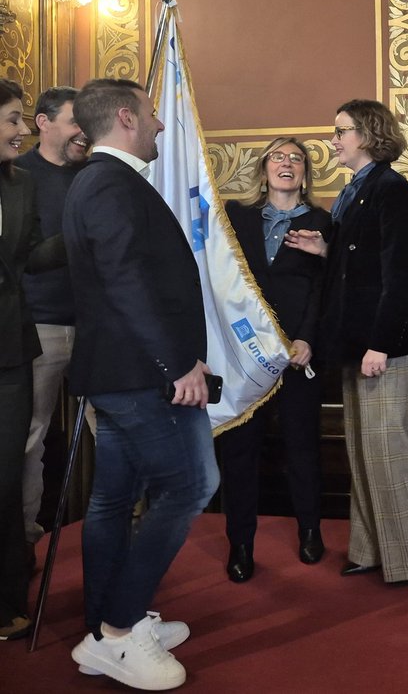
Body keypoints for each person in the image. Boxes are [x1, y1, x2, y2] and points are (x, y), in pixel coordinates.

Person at [63, 78, 219, 691]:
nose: (159, 125)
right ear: (127, 117)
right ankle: (122, 632)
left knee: (111, 499)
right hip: (140, 376)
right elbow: (127, 282)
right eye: (152, 115)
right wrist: (176, 364)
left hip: (126, 372)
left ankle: (106, 626)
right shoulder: (107, 181)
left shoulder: (103, 180)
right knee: (192, 484)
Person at [285, 99, 408, 585]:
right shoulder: (355, 190)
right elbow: (360, 263)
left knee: (391, 447)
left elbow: (400, 275)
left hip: (384, 345)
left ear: (366, 134)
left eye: (340, 131)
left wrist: (380, 343)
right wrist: (327, 249)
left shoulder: (391, 188)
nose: (333, 140)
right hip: (354, 342)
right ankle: (372, 550)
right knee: (365, 450)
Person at [219, 137, 331, 582]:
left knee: (302, 447)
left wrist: (306, 338)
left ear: (305, 173)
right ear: (263, 167)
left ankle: (310, 530)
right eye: (279, 157)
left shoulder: (322, 221)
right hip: (244, 355)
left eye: (296, 159)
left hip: (295, 355)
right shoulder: (235, 216)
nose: (287, 164)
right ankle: (240, 545)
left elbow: (324, 288)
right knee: (239, 451)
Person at [0, 79, 66, 641]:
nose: (20, 130)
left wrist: (82, 234)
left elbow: (35, 255)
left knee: (7, 469)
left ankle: (7, 596)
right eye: (12, 120)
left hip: (13, 346)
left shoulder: (19, 186)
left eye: (22, 119)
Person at [14, 86, 86, 572]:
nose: (83, 130)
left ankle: (121, 531)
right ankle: (21, 541)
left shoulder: (96, 174)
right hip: (40, 325)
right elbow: (21, 257)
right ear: (43, 123)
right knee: (30, 437)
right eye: (73, 120)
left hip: (100, 326)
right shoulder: (17, 178)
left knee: (119, 431)